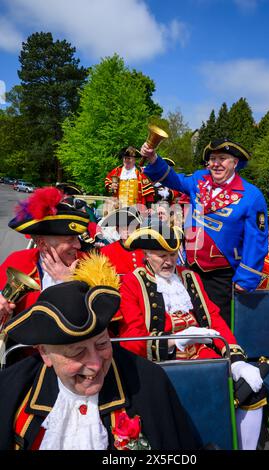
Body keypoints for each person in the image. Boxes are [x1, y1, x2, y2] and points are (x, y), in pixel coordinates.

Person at [0, 253, 199, 450]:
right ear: (44, 353)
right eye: (77, 352)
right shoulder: (13, 389)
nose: (95, 364)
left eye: (102, 344)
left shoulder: (149, 383)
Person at [119, 221, 266, 450]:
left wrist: (236, 360)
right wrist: (174, 340)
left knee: (253, 390)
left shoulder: (189, 277)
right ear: (146, 254)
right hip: (160, 365)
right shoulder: (131, 283)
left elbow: (214, 318)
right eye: (161, 255)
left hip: (205, 356)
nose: (169, 261)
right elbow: (131, 339)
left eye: (173, 254)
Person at [140, 138, 268, 326]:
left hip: (222, 276)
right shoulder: (199, 179)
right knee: (191, 321)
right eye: (213, 159)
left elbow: (256, 240)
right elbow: (172, 179)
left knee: (217, 324)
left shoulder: (251, 195)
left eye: (222, 158)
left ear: (235, 163)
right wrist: (152, 158)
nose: (216, 164)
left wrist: (247, 277)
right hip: (191, 270)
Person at [0, 186, 90, 325]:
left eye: (77, 238)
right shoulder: (17, 261)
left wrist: (69, 284)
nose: (78, 245)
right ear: (42, 244)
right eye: (70, 239)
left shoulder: (90, 265)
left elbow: (100, 324)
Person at [100, 206, 145, 276]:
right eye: (123, 227)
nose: (127, 231)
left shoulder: (146, 250)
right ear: (117, 229)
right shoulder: (106, 251)